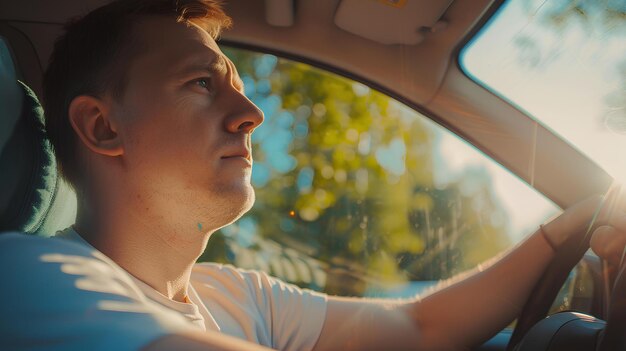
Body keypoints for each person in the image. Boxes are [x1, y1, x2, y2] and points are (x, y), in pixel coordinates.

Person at [1, 0, 626, 350]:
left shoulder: (236, 296)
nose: (251, 114)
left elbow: (419, 327)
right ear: (104, 128)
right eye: (200, 84)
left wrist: (577, 220)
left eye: (240, 89)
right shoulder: (25, 276)